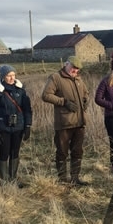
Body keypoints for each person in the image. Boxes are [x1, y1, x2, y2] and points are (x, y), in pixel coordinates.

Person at [41, 56, 90, 186]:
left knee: (77, 151)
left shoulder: (79, 79)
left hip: (80, 122)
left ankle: (75, 178)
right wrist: (63, 101)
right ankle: (62, 179)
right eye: (74, 67)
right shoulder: (56, 77)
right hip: (64, 123)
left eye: (78, 69)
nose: (75, 70)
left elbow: (86, 93)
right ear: (66, 64)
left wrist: (86, 101)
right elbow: (46, 95)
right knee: (62, 151)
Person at [0, 65, 33, 187]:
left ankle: (13, 179)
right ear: (3, 77)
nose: (12, 78)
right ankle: (3, 181)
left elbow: (27, 109)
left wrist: (28, 125)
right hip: (3, 128)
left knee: (15, 152)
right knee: (4, 152)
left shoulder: (20, 90)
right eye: (9, 75)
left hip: (18, 127)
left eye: (13, 75)